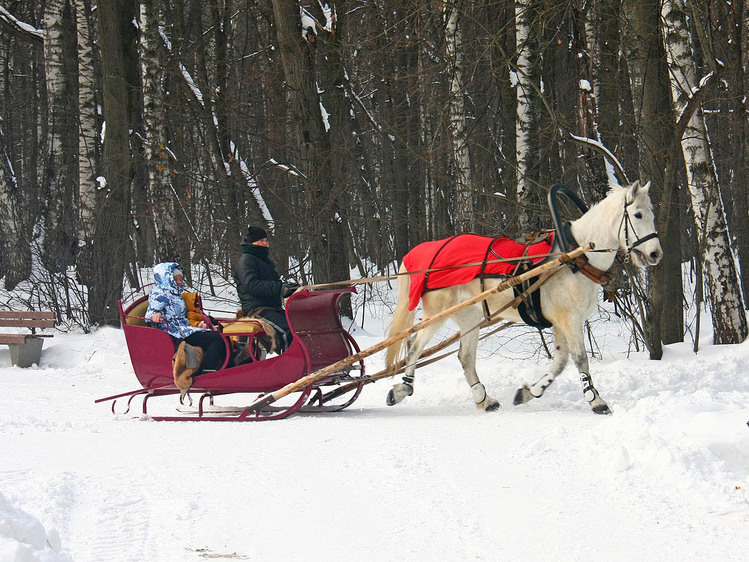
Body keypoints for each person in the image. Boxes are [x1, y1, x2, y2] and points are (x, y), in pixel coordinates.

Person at [145, 262, 245, 396]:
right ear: (166, 278)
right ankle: (209, 370)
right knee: (216, 338)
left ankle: (230, 366)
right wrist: (155, 315)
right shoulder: (159, 293)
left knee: (220, 335)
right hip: (175, 332)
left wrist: (198, 323)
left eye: (181, 279)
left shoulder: (176, 294)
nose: (179, 282)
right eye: (176, 279)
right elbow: (151, 313)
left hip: (184, 329)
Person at [234, 226, 299, 353]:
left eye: (266, 240)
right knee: (287, 330)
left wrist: (289, 289)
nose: (265, 244)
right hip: (257, 309)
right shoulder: (246, 260)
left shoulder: (266, 262)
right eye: (261, 241)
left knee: (298, 327)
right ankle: (291, 364)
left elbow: (272, 285)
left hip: (273, 308)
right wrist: (280, 288)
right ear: (252, 243)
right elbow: (252, 285)